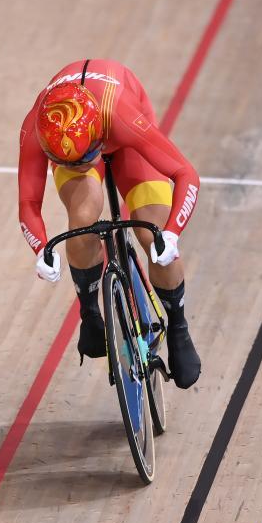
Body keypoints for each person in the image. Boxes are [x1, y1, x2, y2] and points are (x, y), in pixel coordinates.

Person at [18, 59, 202, 388]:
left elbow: (186, 175)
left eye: (83, 158)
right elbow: (29, 203)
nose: (76, 165)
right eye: (64, 162)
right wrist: (40, 248)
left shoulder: (120, 116)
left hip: (122, 128)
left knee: (151, 230)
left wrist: (171, 234)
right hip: (79, 138)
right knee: (83, 218)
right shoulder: (39, 128)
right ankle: (90, 312)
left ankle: (178, 325)